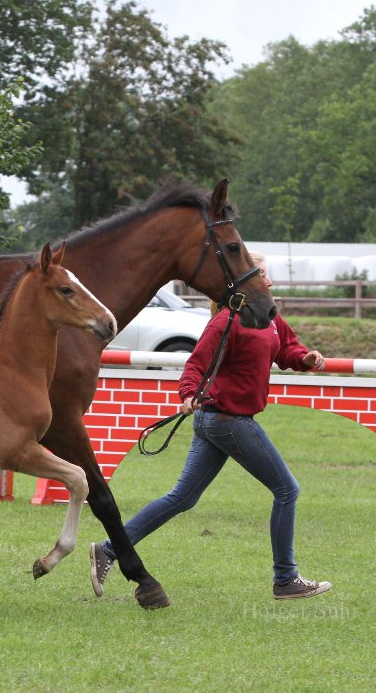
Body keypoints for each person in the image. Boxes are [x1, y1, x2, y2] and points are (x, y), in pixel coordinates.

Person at [89, 255, 332, 600]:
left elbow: (288, 351)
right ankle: (285, 579)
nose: (271, 283)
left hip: (219, 421)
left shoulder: (269, 318)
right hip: (227, 420)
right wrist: (188, 394)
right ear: (245, 279)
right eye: (264, 275)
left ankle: (109, 549)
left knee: (183, 498)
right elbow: (194, 366)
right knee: (287, 490)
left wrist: (306, 358)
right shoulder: (226, 322)